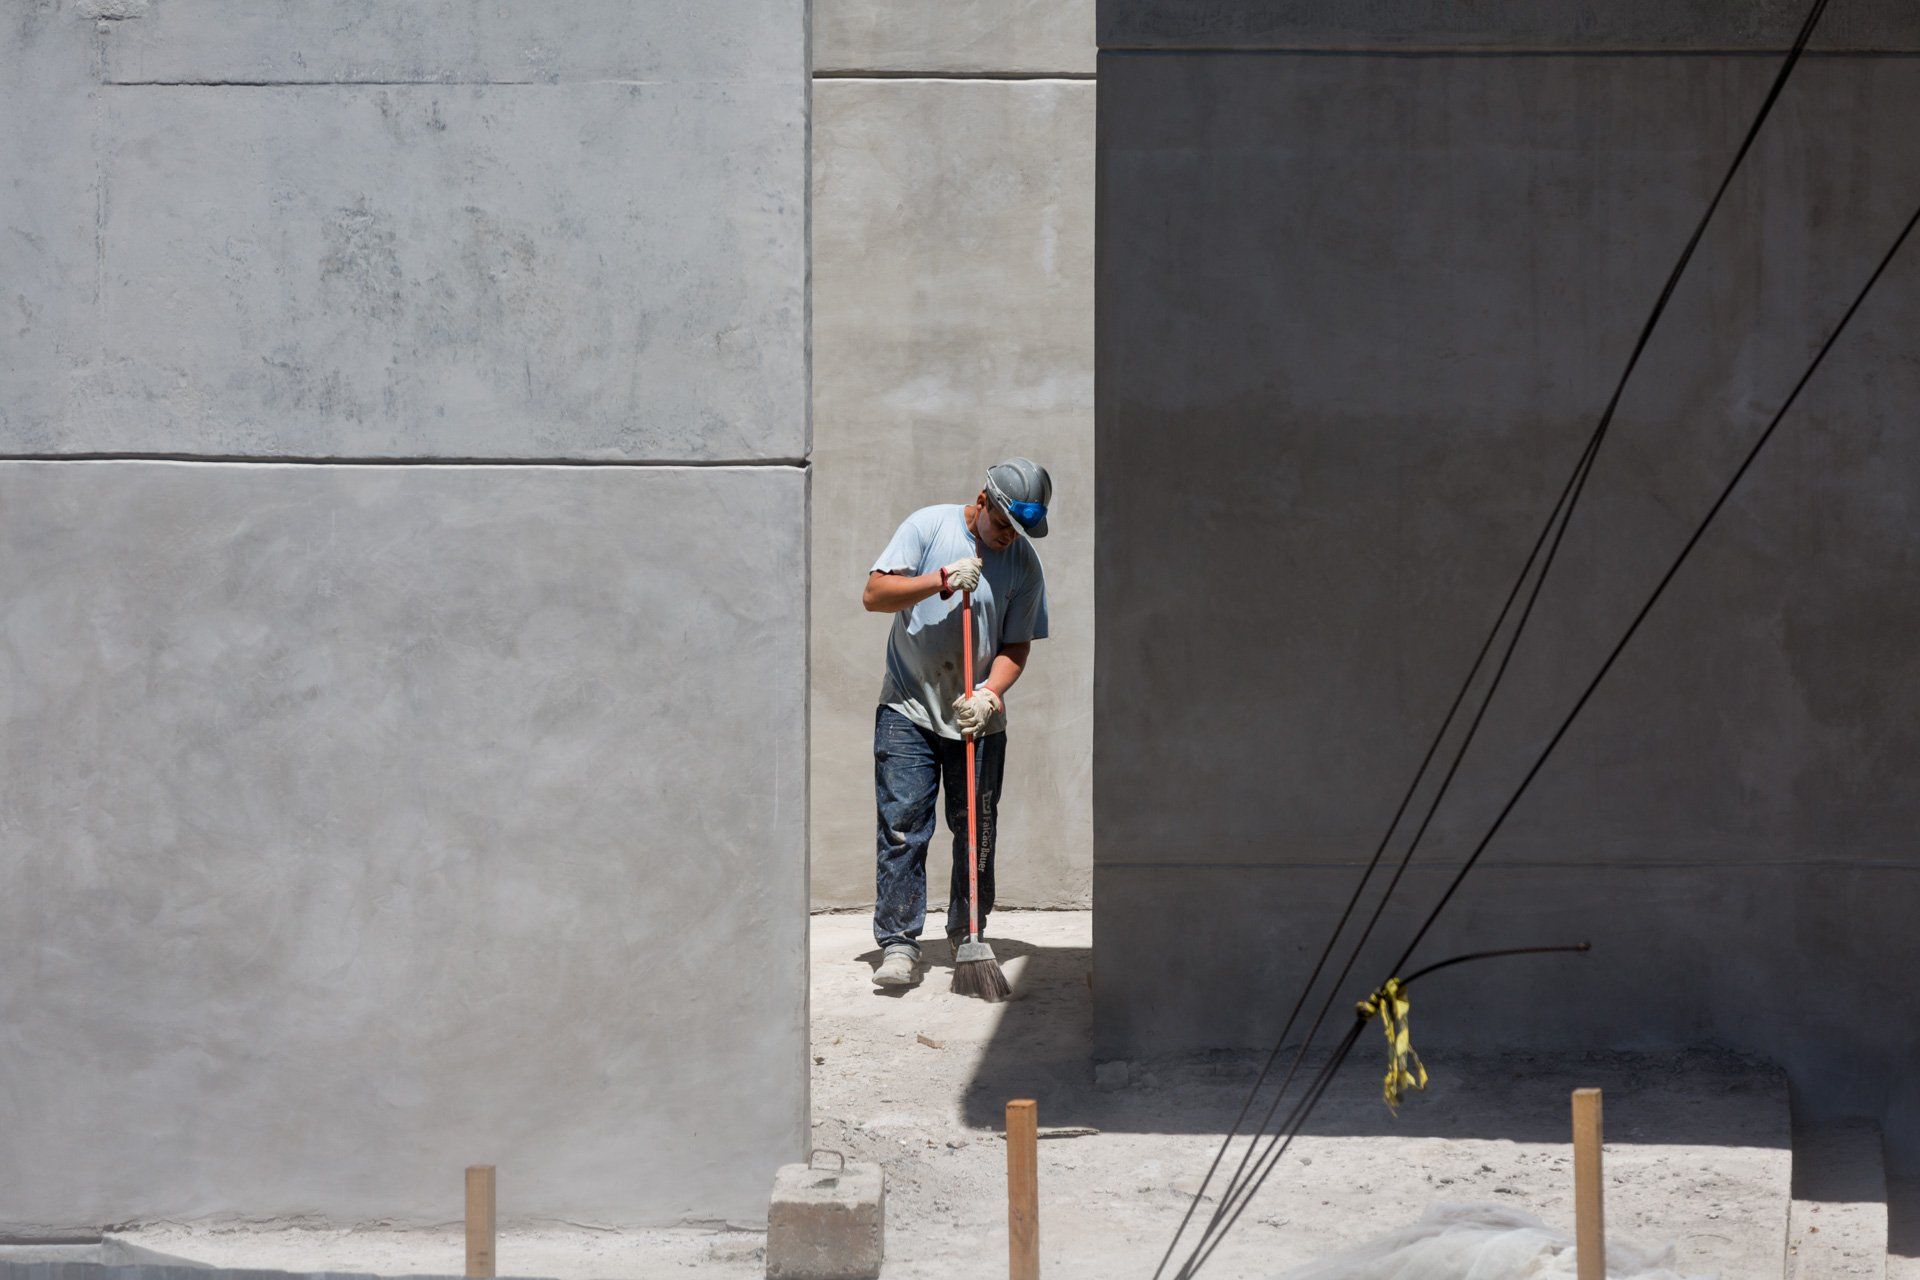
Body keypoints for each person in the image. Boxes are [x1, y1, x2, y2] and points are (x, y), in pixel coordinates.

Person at [860, 458, 1052, 987]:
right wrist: (939, 579)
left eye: (1019, 531)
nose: (1009, 538)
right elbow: (875, 595)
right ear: (982, 500)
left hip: (977, 720)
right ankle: (899, 943)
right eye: (1002, 525)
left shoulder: (1024, 566)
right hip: (909, 708)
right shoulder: (928, 527)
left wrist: (991, 693)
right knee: (903, 828)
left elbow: (1016, 645)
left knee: (976, 833)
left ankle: (968, 933)